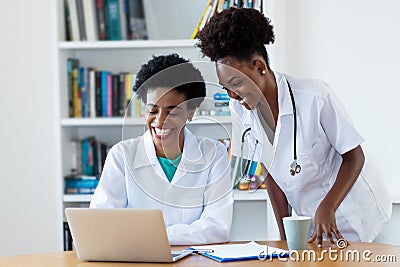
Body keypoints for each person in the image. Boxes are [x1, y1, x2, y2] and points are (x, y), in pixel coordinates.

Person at [197, 7, 391, 246]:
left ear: (260, 67)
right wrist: (284, 235)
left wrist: (327, 207)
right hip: (308, 222)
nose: (232, 96)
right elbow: (269, 171)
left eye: (236, 83)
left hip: (352, 215)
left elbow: (354, 156)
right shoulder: (240, 109)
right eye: (225, 87)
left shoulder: (314, 96)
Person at [90, 54, 234, 245]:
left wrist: (151, 237)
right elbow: (100, 222)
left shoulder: (214, 154)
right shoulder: (122, 155)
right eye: (153, 110)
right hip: (137, 260)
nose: (160, 121)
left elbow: (218, 227)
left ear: (190, 112)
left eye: (172, 111)